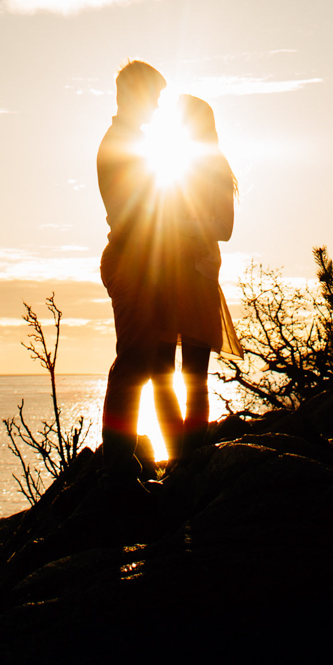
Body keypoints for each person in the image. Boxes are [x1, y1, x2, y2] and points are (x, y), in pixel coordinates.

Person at [96, 58, 182, 466]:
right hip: (133, 262)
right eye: (155, 97)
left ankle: (169, 459)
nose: (157, 106)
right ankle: (116, 467)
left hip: (147, 261)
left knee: (155, 362)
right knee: (134, 361)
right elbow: (137, 211)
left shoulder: (134, 142)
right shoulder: (120, 143)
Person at [164, 94, 238, 445]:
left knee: (194, 375)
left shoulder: (217, 169)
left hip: (198, 276)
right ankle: (178, 453)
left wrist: (184, 227)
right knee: (160, 372)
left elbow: (224, 228)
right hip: (163, 276)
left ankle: (190, 457)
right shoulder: (165, 164)